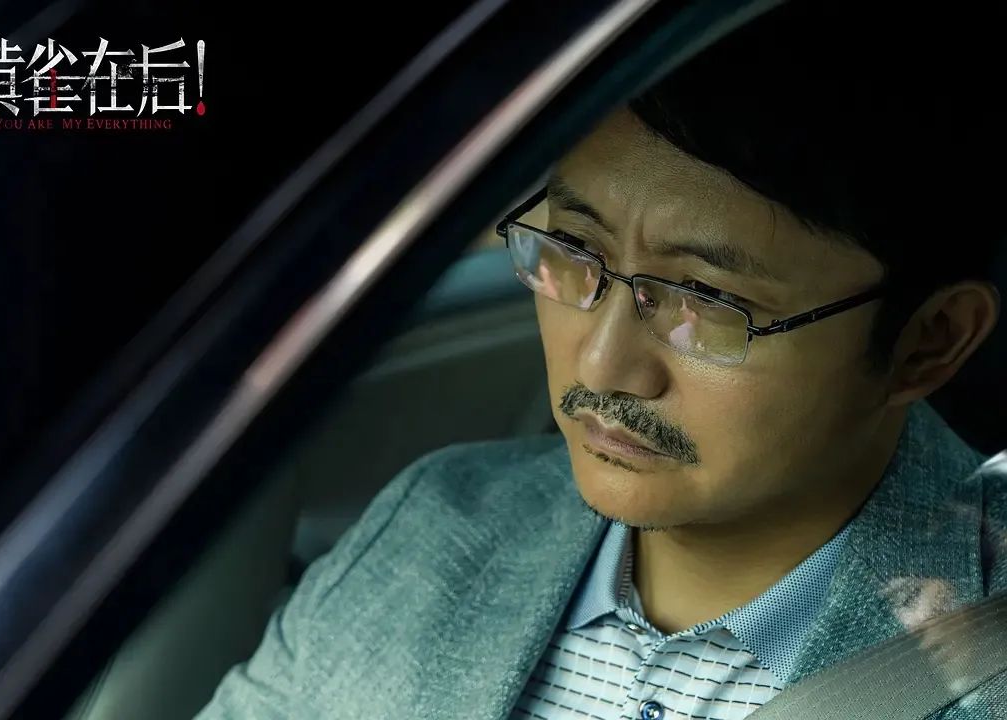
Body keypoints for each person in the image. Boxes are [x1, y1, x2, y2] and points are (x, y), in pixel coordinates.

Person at [197, 2, 1005, 718]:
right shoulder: (432, 527)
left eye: (703, 301)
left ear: (927, 341)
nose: (603, 365)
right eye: (575, 250)